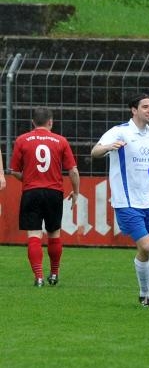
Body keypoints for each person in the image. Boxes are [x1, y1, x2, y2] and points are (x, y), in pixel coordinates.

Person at [91, 93, 149, 306]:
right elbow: (94, 151)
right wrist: (109, 147)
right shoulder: (120, 131)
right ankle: (145, 293)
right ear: (134, 110)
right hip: (127, 202)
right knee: (146, 247)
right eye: (145, 107)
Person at [8, 107, 80, 287]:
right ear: (50, 122)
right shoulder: (60, 141)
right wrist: (76, 191)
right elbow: (73, 170)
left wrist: (29, 178)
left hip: (31, 192)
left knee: (34, 234)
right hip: (54, 192)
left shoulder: (22, 140)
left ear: (33, 123)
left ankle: (38, 277)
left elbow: (14, 171)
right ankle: (54, 274)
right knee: (54, 233)